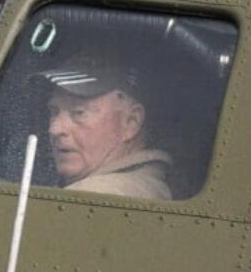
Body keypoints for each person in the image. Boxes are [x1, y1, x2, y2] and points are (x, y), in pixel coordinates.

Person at [37, 53, 173, 200]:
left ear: (131, 122)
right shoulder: (148, 187)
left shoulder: (90, 196)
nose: (54, 129)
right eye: (53, 111)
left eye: (79, 112)